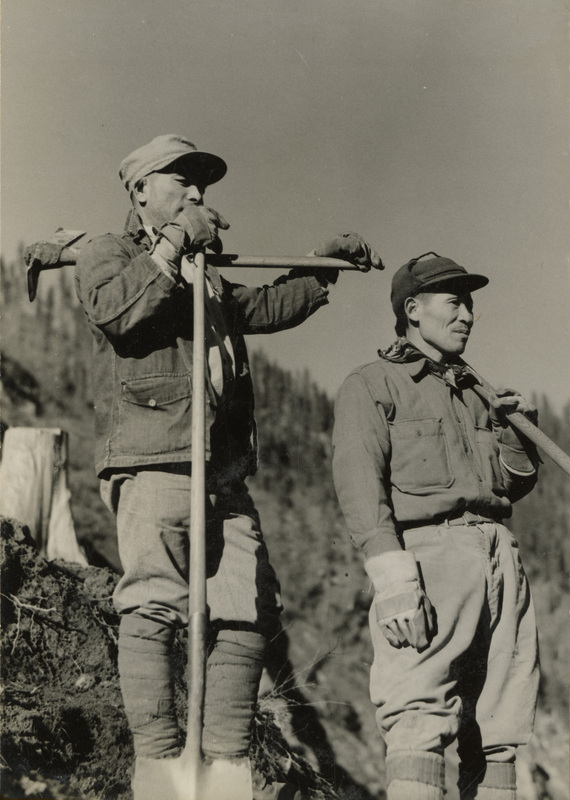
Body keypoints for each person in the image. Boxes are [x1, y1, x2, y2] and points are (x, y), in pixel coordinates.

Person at [74, 133, 382, 799]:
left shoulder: (205, 272)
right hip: (155, 457)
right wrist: (172, 245)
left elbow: (259, 309)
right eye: (180, 180)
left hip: (222, 470)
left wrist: (320, 269)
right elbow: (116, 312)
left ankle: (226, 774)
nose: (196, 193)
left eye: (202, 185)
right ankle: (159, 771)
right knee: (155, 603)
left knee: (246, 609)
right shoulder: (110, 252)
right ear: (140, 190)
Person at [332, 252, 540, 800]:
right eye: (454, 302)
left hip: (500, 558)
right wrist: (392, 579)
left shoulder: (478, 392)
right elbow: (359, 485)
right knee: (418, 718)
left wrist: (516, 435)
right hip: (429, 563)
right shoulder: (373, 384)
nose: (467, 314)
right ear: (413, 310)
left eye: (470, 304)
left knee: (498, 728)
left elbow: (508, 486)